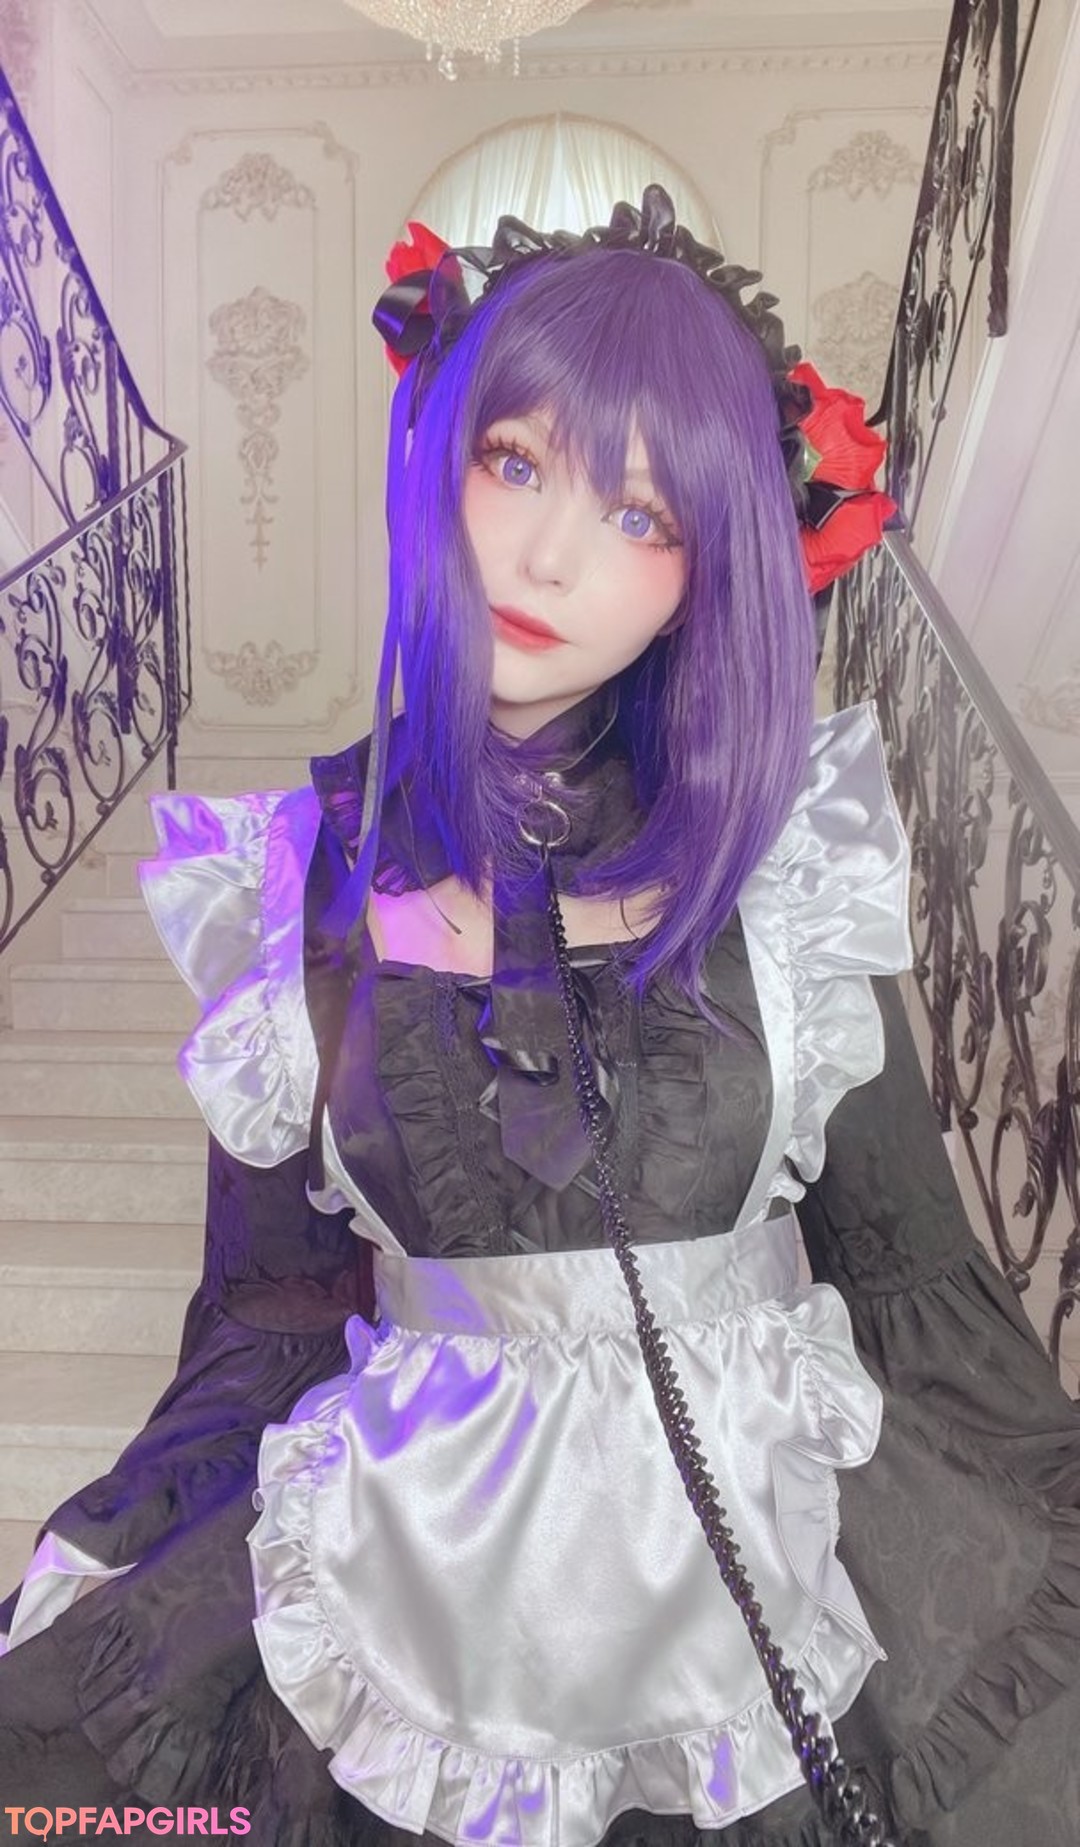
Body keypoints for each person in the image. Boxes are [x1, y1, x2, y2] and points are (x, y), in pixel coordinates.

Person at [0, 186, 1078, 1847]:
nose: (550, 554)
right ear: (440, 462)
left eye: (641, 513)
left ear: (710, 573)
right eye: (514, 463)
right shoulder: (294, 889)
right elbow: (270, 1315)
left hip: (773, 1578)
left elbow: (915, 1281)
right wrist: (125, 1535)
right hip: (417, 1594)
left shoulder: (790, 878)